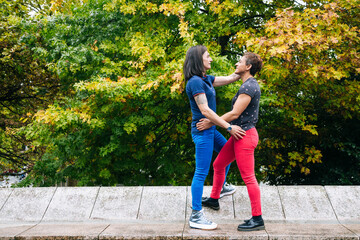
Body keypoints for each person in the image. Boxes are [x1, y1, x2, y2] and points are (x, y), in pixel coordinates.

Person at [198, 52, 265, 231]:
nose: (237, 62)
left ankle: (257, 218)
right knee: (219, 164)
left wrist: (211, 121)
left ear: (248, 67)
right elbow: (236, 113)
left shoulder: (249, 87)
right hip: (238, 135)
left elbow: (235, 114)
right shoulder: (246, 84)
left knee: (249, 177)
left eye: (241, 61)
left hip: (245, 135)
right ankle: (214, 199)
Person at [184, 45, 246, 230]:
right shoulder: (195, 82)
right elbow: (204, 110)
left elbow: (230, 78)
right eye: (208, 56)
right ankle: (196, 215)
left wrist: (242, 68)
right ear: (198, 60)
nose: (211, 59)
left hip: (210, 130)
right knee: (201, 172)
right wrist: (228, 126)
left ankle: (221, 186)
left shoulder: (206, 80)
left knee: (229, 153)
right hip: (202, 132)